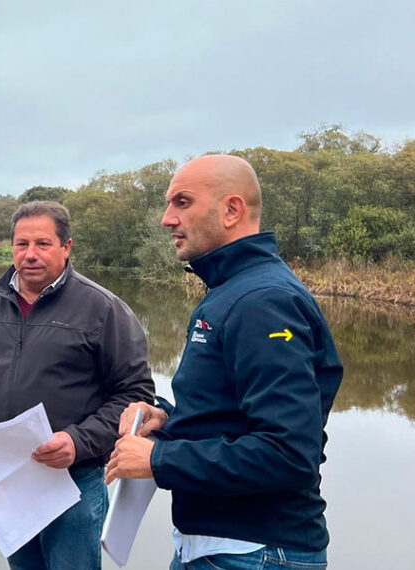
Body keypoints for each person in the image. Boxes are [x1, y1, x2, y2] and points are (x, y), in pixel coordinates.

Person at [104, 154, 343, 570]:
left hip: (255, 553)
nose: (166, 218)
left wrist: (159, 460)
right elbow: (232, 418)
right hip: (225, 548)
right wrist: (167, 420)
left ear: (232, 209)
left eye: (181, 202)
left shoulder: (262, 302)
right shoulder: (233, 289)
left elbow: (287, 453)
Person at [0, 201, 155, 570]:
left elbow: (136, 397)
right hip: (7, 483)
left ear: (67, 247)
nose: (30, 254)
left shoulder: (103, 308)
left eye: (43, 243)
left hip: (73, 485)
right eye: (22, 244)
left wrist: (78, 440)